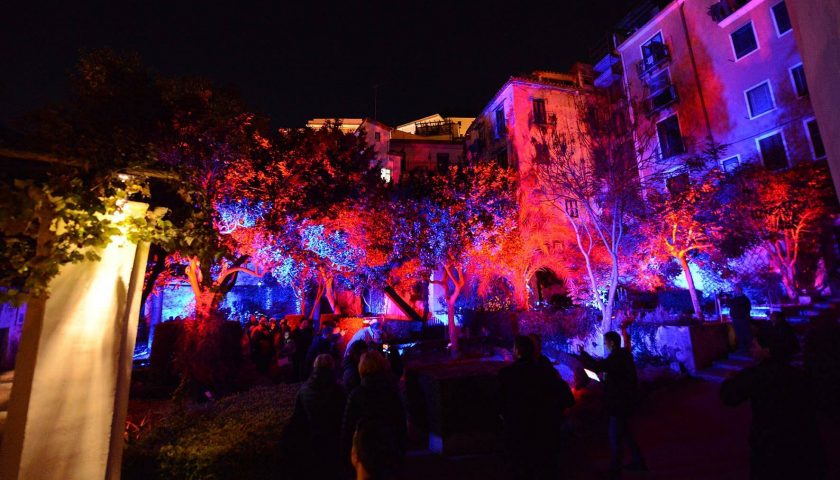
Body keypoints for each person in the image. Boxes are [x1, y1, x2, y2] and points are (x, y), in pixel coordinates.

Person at [721, 326, 825, 479]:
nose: (751, 348)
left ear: (768, 350)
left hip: (769, 441)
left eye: (755, 345)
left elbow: (729, 397)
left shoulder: (757, 375)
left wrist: (728, 380)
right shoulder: (799, 375)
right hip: (801, 439)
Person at [499, 336, 575, 480]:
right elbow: (568, 399)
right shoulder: (547, 373)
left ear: (516, 351)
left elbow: (499, 405)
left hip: (519, 438)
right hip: (546, 436)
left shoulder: (507, 375)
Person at [578, 331, 646, 478]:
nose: (604, 345)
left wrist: (583, 354)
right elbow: (616, 375)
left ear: (612, 343)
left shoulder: (616, 358)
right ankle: (638, 461)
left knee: (614, 434)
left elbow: (598, 366)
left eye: (605, 343)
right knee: (626, 432)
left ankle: (616, 468)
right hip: (625, 401)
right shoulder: (623, 356)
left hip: (618, 403)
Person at [341, 351, 406, 477]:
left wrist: (346, 457)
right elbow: (400, 424)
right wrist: (401, 451)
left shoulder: (356, 394)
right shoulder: (391, 392)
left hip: (364, 451)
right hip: (389, 448)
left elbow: (347, 427)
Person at [290, 354, 347, 479]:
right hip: (333, 442)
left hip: (312, 440)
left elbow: (298, 418)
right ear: (332, 367)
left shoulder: (304, 389)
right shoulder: (338, 390)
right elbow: (344, 417)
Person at [729, 286, 753, 353]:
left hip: (742, 319)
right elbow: (730, 305)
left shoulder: (744, 299)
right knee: (739, 334)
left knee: (745, 333)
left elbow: (747, 309)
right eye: (734, 290)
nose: (735, 291)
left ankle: (748, 348)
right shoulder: (735, 299)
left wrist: (744, 316)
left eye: (736, 289)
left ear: (740, 290)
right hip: (736, 319)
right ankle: (742, 348)